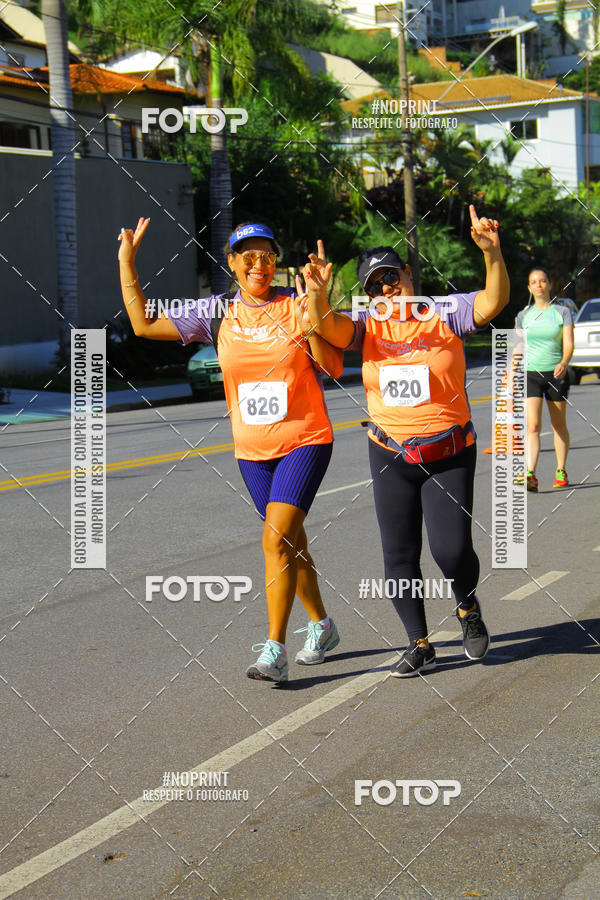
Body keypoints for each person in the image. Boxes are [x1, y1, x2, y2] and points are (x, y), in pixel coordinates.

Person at [118, 217, 343, 683]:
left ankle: (275, 649)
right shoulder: (216, 313)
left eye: (267, 256)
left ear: (276, 262)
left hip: (305, 439)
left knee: (275, 539)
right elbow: (142, 324)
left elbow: (332, 365)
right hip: (252, 452)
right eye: (248, 256)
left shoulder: (296, 305)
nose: (258, 264)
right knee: (290, 543)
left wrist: (316, 311)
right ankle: (321, 625)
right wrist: (127, 263)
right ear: (232, 263)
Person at [300, 205, 509, 677]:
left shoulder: (441, 313)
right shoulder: (367, 324)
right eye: (374, 285)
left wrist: (492, 255)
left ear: (408, 274)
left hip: (448, 449)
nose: (385, 290)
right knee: (398, 555)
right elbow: (326, 328)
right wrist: (316, 293)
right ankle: (419, 643)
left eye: (391, 277)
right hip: (391, 451)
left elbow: (491, 302)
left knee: (450, 550)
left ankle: (466, 606)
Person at [514, 268, 574, 491]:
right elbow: (519, 344)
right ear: (529, 288)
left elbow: (568, 343)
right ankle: (530, 473)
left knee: (558, 425)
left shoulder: (561, 312)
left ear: (549, 284)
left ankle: (561, 469)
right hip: (531, 373)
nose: (538, 285)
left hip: (556, 373)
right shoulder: (523, 316)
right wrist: (512, 370)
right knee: (533, 425)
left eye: (542, 281)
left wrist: (564, 362)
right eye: (534, 282)